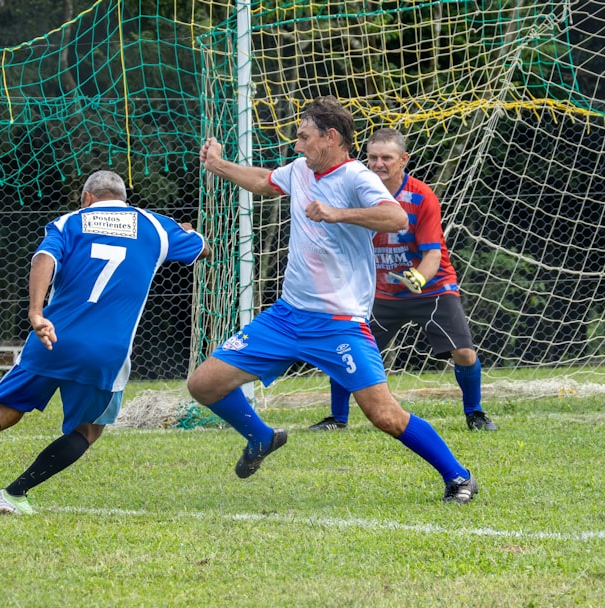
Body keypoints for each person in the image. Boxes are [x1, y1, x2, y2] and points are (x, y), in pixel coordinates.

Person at [186, 96, 478, 503]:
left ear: (331, 137)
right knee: (203, 384)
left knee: (384, 415)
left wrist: (338, 213)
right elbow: (265, 180)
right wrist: (218, 165)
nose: (298, 144)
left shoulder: (357, 177)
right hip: (287, 317)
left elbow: (395, 217)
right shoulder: (300, 170)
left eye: (304, 136)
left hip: (339, 322)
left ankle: (459, 477)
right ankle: (261, 437)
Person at [0, 170, 210, 514]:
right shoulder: (154, 226)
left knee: (3, 412)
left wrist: (36, 313)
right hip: (106, 353)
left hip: (52, 338)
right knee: (89, 430)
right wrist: (183, 230)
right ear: (124, 198)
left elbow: (44, 258)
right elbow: (202, 249)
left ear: (87, 198)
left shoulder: (69, 222)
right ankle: (14, 494)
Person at [309, 128, 497, 433]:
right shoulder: (355, 194)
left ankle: (475, 413)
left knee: (464, 352)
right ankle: (337, 419)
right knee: (345, 349)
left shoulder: (421, 196)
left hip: (431, 289)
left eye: (387, 157)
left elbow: (433, 255)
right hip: (380, 293)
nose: (379, 164)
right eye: (373, 157)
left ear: (403, 160)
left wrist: (419, 277)